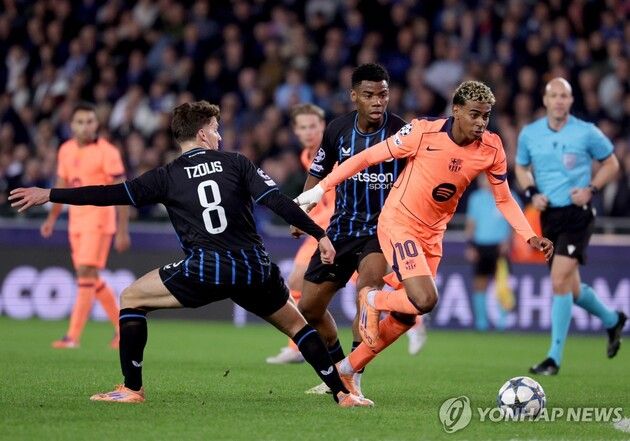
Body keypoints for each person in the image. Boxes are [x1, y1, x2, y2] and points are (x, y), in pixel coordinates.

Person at [10, 101, 371, 408]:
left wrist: (51, 194)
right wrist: (318, 233)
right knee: (297, 326)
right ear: (201, 133)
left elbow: (108, 194)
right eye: (215, 129)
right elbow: (276, 201)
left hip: (205, 269)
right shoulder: (236, 162)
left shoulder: (166, 176)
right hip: (253, 267)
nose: (219, 136)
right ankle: (343, 394)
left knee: (131, 298)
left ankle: (131, 389)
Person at [295, 81, 554, 387]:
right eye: (474, 114)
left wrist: (528, 235)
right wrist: (321, 189)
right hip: (399, 223)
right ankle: (372, 299)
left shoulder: (491, 147)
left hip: (433, 235)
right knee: (426, 299)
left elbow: (504, 198)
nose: (481, 123)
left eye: (486, 116)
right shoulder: (422, 132)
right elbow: (366, 158)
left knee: (407, 317)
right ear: (456, 110)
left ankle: (348, 370)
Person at [295, 63, 407, 396]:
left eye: (383, 94)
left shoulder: (401, 132)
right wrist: (302, 212)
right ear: (354, 96)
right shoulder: (337, 129)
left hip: (381, 230)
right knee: (309, 308)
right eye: (370, 95)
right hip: (342, 229)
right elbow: (318, 171)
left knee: (368, 293)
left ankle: (353, 377)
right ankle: (339, 370)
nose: (378, 101)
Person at [515, 77, 626, 375]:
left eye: (564, 96)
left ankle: (553, 357)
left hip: (578, 213)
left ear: (571, 100)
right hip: (549, 216)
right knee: (570, 287)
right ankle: (613, 320)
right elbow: (521, 167)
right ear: (545, 100)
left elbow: (612, 164)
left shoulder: (587, 132)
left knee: (558, 279)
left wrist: (591, 189)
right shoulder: (530, 134)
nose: (559, 100)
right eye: (554, 95)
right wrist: (531, 193)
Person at [40, 102, 130, 349]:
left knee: (85, 273)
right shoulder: (66, 150)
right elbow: (60, 187)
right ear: (72, 125)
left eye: (89, 121)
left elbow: (123, 192)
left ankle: (72, 337)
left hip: (99, 220)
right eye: (80, 122)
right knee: (90, 277)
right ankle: (122, 329)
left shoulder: (108, 152)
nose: (85, 126)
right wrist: (51, 219)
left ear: (96, 124)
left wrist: (123, 230)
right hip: (76, 221)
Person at [266, 103, 334, 366]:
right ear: (295, 131)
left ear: (323, 126)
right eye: (303, 127)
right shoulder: (307, 157)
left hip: (338, 228)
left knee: (371, 283)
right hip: (322, 230)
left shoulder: (334, 155)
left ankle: (413, 317)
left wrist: (306, 221)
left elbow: (337, 200)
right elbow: (323, 201)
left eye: (313, 126)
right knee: (295, 282)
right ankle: (296, 348)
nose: (308, 132)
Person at [465, 175, 518, 331]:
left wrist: (508, 242)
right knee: (479, 284)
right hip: (480, 245)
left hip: (500, 247)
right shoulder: (475, 198)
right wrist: (470, 245)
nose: (484, 182)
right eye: (483, 179)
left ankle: (502, 322)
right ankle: (481, 323)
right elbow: (471, 224)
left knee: (501, 284)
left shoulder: (509, 195)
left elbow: (516, 222)